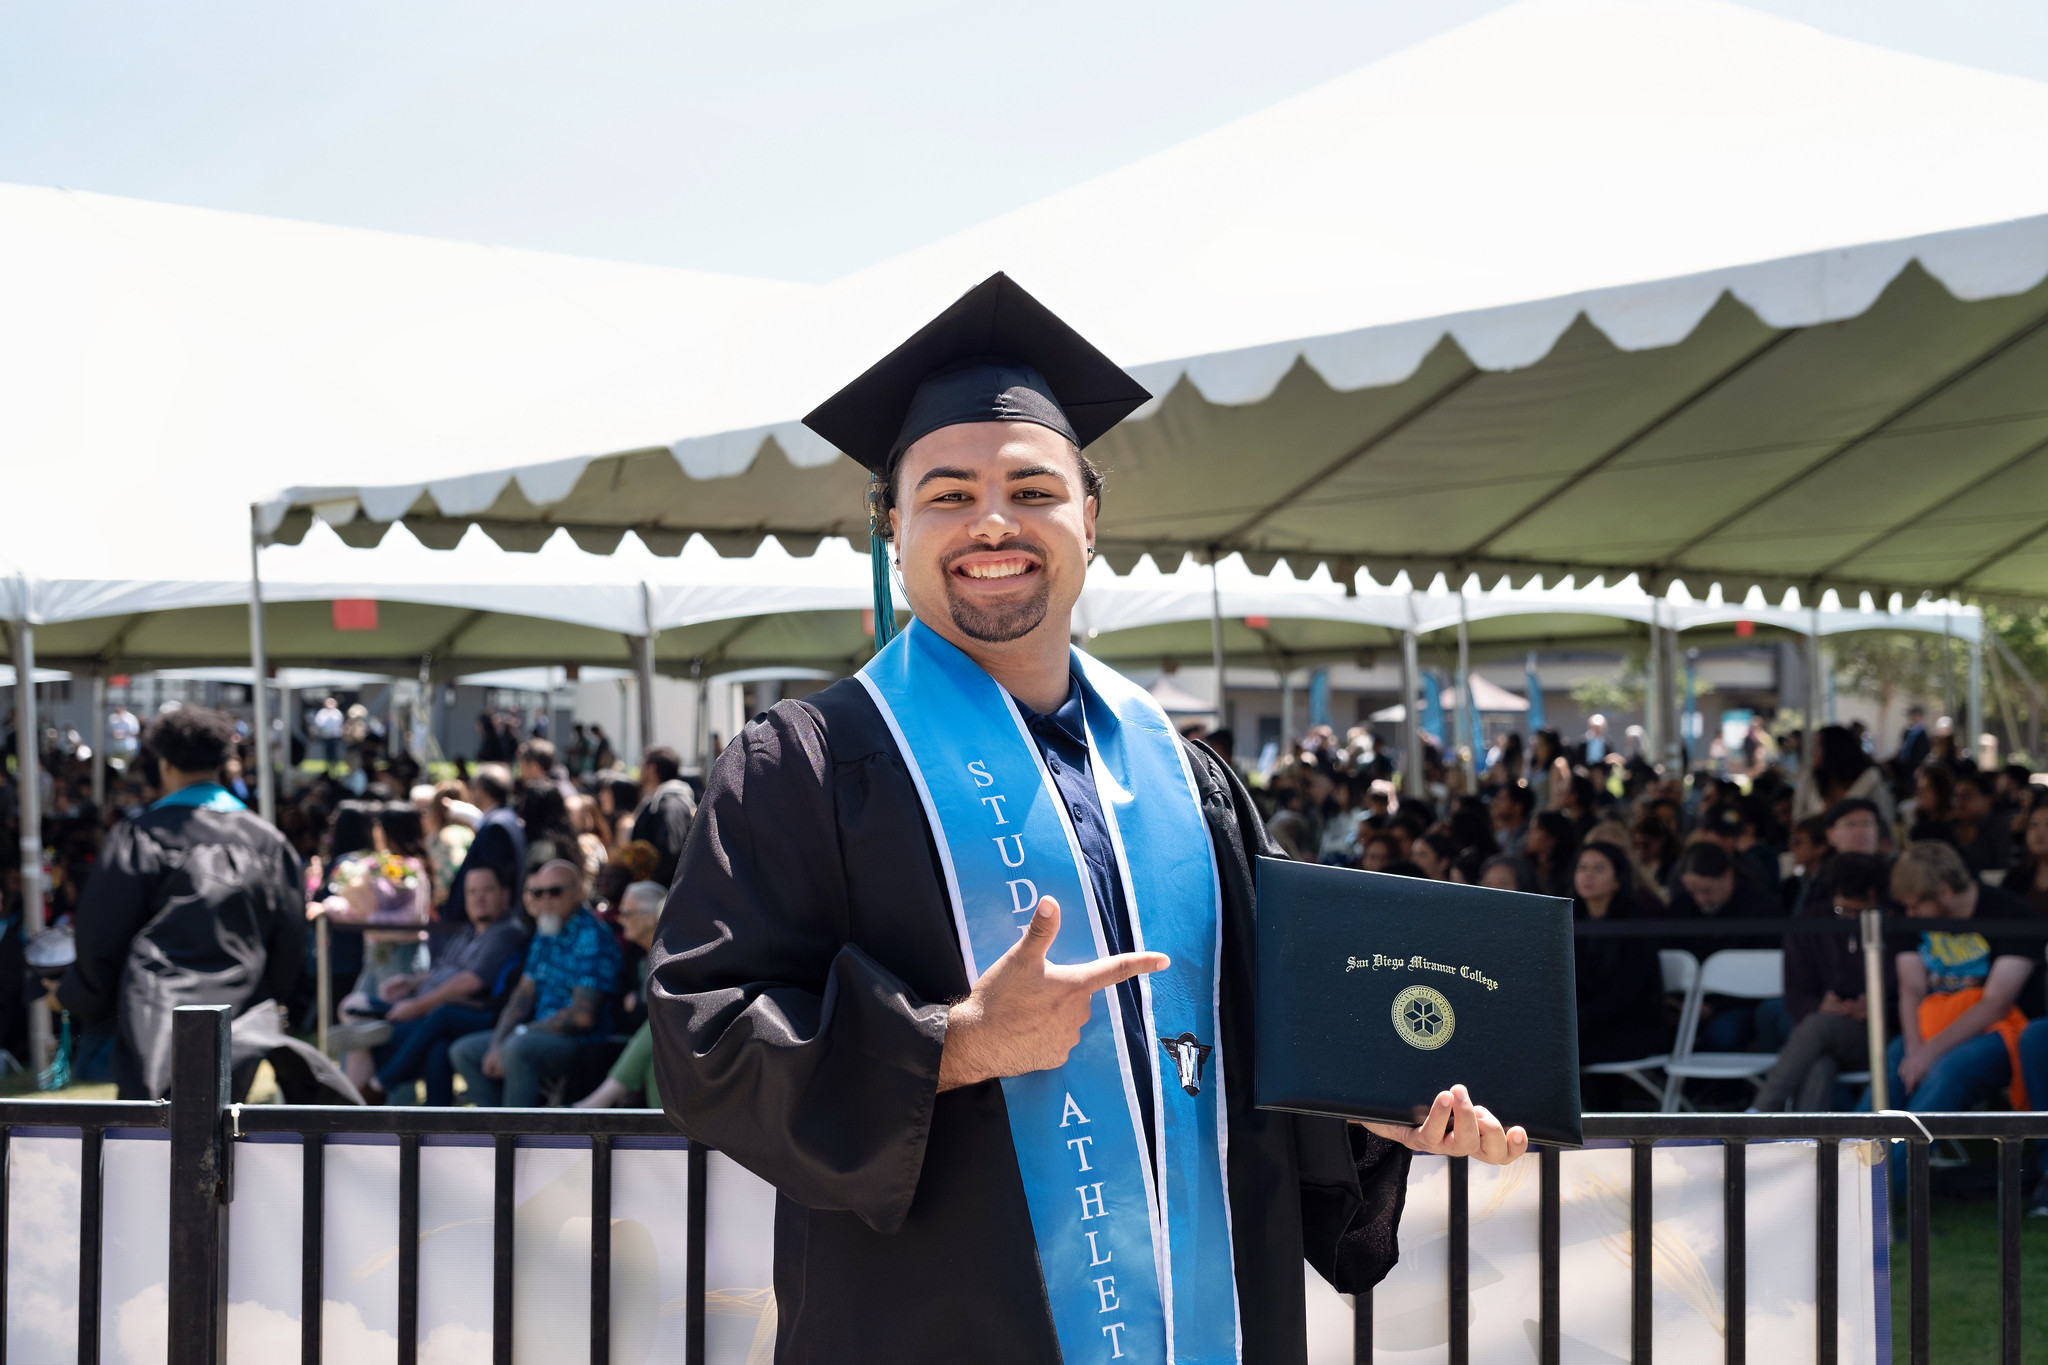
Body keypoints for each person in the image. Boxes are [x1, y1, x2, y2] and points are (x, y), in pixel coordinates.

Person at [648, 274, 1521, 1363]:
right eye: (948, 495)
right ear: (892, 525)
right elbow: (704, 1040)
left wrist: (1374, 1108)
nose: (993, 524)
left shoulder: (1184, 780)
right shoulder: (807, 767)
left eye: (1032, 489)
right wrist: (952, 1046)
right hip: (938, 1326)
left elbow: (1259, 1039)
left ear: (1090, 516)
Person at [54, 705, 305, 1099]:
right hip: (241, 1016)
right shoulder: (267, 841)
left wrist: (78, 995)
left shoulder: (141, 835)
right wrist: (271, 998)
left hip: (154, 1014)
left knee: (149, 1137)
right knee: (224, 1130)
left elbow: (103, 932)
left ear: (164, 763)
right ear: (224, 762)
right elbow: (289, 938)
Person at [1872, 841, 2038, 1121]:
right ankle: (1847, 1158)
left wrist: (1928, 1054)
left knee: (1947, 1072)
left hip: (1999, 1031)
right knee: (1891, 1066)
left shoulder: (2012, 914)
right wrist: (1915, 1050)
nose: (1909, 915)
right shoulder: (1910, 916)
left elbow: (1996, 1003)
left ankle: (1900, 1162)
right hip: (1929, 1027)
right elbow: (1910, 987)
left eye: (1915, 906)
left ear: (1945, 893)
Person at [452, 859, 620, 1107]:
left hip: (581, 1041)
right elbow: (522, 995)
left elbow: (582, 1016)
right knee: (463, 1051)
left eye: (555, 892)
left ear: (578, 891)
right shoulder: (546, 930)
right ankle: (491, 1131)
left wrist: (518, 1035)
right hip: (537, 1032)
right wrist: (498, 1041)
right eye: (538, 893)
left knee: (517, 1049)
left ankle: (518, 1135)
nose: (545, 900)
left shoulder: (593, 934)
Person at [361, 861, 530, 1105]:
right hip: (427, 1011)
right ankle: (434, 1120)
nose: (478, 898)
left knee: (439, 1018)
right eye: (472, 892)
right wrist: (412, 982)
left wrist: (417, 1005)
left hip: (478, 1012)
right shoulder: (468, 931)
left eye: (487, 890)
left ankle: (379, 1084)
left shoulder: (506, 932)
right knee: (437, 1046)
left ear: (505, 894)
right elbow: (444, 970)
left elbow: (471, 982)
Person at [1754, 853, 1883, 1111]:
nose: (1851, 918)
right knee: (1819, 1064)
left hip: (1878, 1032)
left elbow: (1907, 985)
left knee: (1817, 1026)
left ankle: (1757, 1115)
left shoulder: (1889, 922)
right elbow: (1795, 991)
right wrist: (1819, 1005)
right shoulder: (1808, 925)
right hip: (1823, 1027)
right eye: (1843, 910)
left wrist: (1877, 1006)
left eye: (1859, 912)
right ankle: (1806, 1144)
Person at [1570, 842, 1668, 1091]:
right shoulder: (1569, 921)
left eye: (1599, 868)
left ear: (1618, 880)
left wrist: (1579, 1018)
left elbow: (1626, 993)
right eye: (1582, 867)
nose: (1587, 875)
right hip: (1586, 1025)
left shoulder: (1635, 925)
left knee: (1560, 1049)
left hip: (1633, 1026)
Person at [576, 880, 668, 1109]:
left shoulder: (676, 956)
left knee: (659, 1026)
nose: (619, 919)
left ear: (651, 917)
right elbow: (623, 1010)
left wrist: (637, 1005)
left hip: (675, 1036)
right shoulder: (634, 958)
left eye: (626, 914)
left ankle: (594, 1104)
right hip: (639, 1039)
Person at [441, 763, 525, 936]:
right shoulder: (505, 819)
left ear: (481, 791)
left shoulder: (496, 826)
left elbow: (489, 879)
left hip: (491, 926)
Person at [630, 746, 698, 887]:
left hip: (661, 894)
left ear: (652, 769)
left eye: (641, 764)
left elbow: (671, 851)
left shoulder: (670, 804)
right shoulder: (659, 801)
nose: (639, 770)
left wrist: (651, 882)